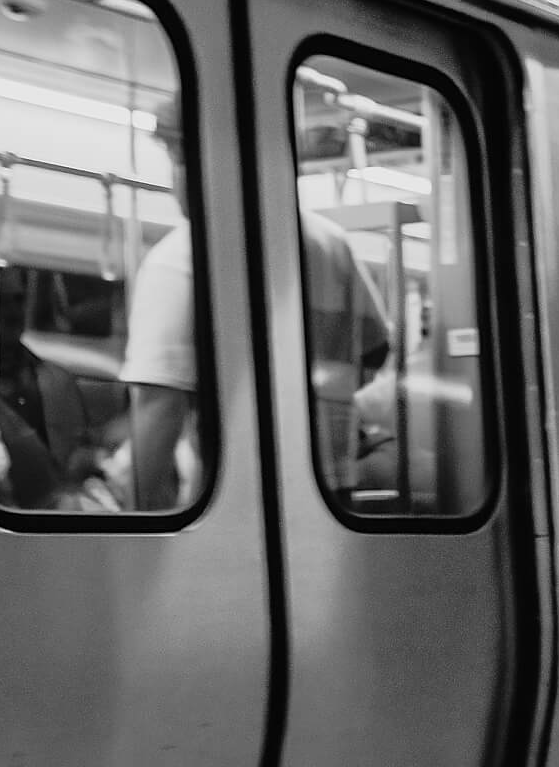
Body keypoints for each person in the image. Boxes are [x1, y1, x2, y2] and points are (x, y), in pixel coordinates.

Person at [119, 98, 390, 509]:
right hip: (331, 492)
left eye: (178, 158)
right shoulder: (330, 244)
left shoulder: (181, 258)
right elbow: (375, 350)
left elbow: (160, 406)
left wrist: (136, 528)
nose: (177, 177)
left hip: (234, 502)